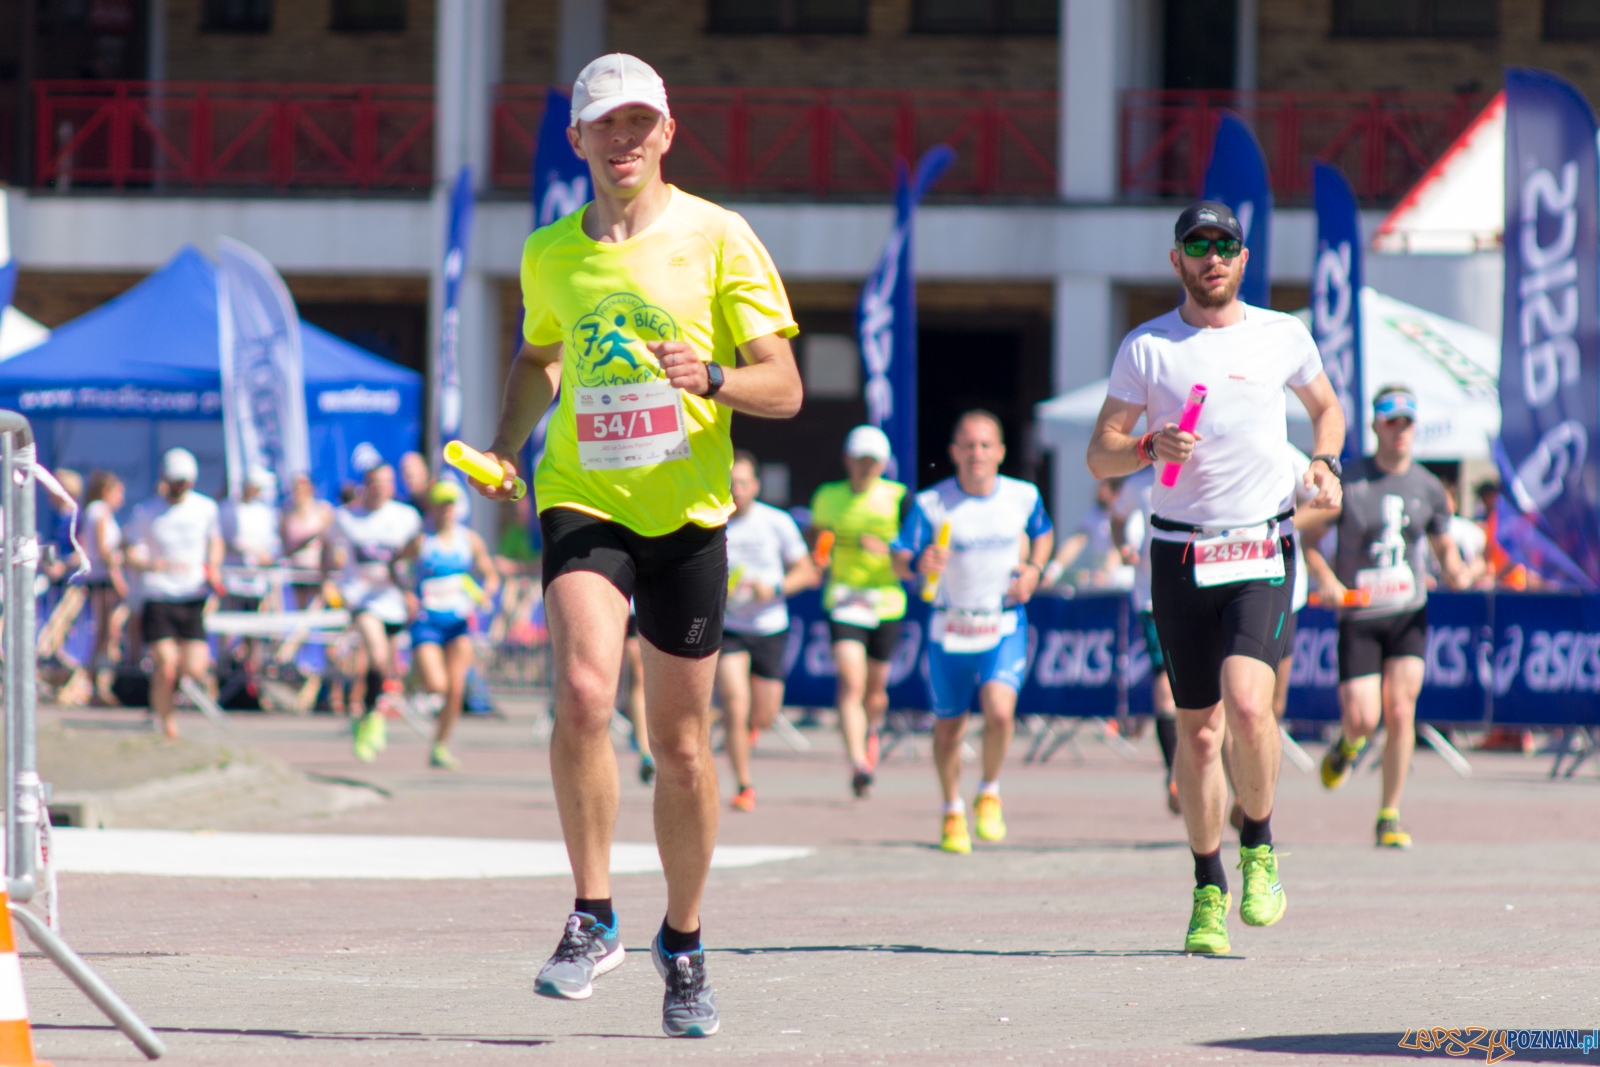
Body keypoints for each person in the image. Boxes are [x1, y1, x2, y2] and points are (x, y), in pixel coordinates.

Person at [468, 52, 802, 1037]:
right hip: (581, 495)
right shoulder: (549, 254)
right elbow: (538, 356)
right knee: (578, 689)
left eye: (638, 122)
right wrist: (502, 443)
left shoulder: (717, 236)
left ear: (667, 131)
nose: (623, 140)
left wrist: (710, 378)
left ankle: (685, 939)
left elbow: (782, 386)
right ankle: (592, 912)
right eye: (603, 125)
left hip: (688, 514)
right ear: (575, 141)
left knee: (682, 748)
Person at [1087, 200, 1345, 955]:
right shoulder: (1148, 348)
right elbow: (1099, 453)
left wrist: (1326, 464)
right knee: (1197, 735)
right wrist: (1142, 447)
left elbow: (1327, 411)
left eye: (1224, 246)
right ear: (1177, 261)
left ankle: (1259, 842)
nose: (1212, 258)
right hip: (1177, 554)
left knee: (1249, 706)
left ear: (1243, 256)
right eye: (1197, 246)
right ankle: (1207, 885)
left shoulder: (1281, 335)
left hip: (1260, 546)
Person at [1300, 386, 1470, 848]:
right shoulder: (1351, 481)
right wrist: (1325, 578)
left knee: (1400, 710)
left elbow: (1443, 546)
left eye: (1407, 422)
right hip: (1359, 613)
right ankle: (1348, 744)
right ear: (1375, 425)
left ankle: (1389, 815)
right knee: (1362, 717)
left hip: (1407, 612)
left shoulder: (1429, 487)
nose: (1400, 430)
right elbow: (1308, 542)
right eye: (1391, 421)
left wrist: (1457, 571)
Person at [892, 411, 1052, 853]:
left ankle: (989, 791)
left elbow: (1044, 533)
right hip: (950, 627)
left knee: (1000, 711)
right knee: (949, 729)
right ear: (954, 452)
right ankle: (951, 810)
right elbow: (898, 556)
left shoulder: (1022, 496)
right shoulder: (932, 504)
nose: (976, 453)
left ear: (1000, 452)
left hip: (1001, 623)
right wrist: (918, 563)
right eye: (968, 445)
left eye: (985, 445)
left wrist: (1034, 571)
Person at [810, 425, 908, 799]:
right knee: (851, 682)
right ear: (847, 460)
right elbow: (817, 536)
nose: (865, 467)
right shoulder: (828, 496)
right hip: (844, 599)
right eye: (859, 460)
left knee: (875, 689)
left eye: (872, 461)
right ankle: (858, 764)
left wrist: (887, 550)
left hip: (885, 600)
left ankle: (871, 731)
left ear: (883, 464)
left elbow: (913, 550)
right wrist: (821, 551)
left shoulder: (898, 498)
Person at [718, 451, 816, 812]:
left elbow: (806, 572)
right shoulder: (713, 521)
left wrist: (772, 589)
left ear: (756, 486)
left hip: (770, 626)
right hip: (729, 627)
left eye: (742, 483)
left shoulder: (776, 522)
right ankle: (744, 785)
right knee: (733, 702)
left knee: (764, 712)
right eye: (730, 483)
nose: (736, 490)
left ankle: (752, 728)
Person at [394, 480, 500, 770]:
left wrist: (483, 595)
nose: (447, 510)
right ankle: (414, 679)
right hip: (427, 621)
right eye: (441, 505)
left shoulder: (469, 539)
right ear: (432, 508)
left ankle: (439, 746)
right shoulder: (421, 540)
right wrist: (405, 592)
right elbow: (395, 565)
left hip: (458, 622)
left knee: (455, 689)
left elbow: (490, 575)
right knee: (437, 685)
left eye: (451, 504)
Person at [324, 463, 423, 762]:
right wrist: (326, 579)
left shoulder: (406, 517)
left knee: (388, 667)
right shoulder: (346, 518)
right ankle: (373, 718)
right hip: (361, 598)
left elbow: (416, 552)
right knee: (377, 654)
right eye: (374, 482)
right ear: (365, 485)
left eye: (385, 481)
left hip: (393, 598)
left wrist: (409, 588)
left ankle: (366, 712)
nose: (380, 487)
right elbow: (326, 545)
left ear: (392, 486)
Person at [124, 449, 225, 739]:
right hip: (159, 594)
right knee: (166, 665)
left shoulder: (205, 508)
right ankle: (166, 725)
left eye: (184, 481)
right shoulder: (147, 511)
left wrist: (213, 567)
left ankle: (161, 697)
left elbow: (215, 541)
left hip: (192, 594)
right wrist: (147, 562)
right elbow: (130, 551)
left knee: (195, 668)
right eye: (174, 481)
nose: (179, 486)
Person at [1112, 467, 1181, 813]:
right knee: (1166, 686)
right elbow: (1117, 518)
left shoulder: (1202, 471)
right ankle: (1175, 772)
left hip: (1206, 591)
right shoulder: (1136, 483)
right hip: (1152, 598)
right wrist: (1123, 546)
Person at [81, 471, 128, 704]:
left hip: (101, 576)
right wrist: (118, 578)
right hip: (104, 578)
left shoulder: (93, 511)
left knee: (107, 632)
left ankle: (96, 683)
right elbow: (103, 549)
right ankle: (93, 683)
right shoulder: (100, 511)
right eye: (119, 492)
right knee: (104, 632)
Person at [1042, 477, 1123, 589]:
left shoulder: (1129, 513)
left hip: (1125, 583)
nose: (1099, 490)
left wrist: (1107, 572)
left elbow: (1118, 548)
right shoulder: (1096, 513)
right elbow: (1078, 539)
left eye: (1104, 486)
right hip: (1103, 583)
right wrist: (1054, 570)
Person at [281, 472, 336, 608]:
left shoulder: (323, 510)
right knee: (301, 612)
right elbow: (284, 544)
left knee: (318, 608)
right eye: (296, 487)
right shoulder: (287, 512)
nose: (298, 491)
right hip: (297, 570)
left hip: (319, 570)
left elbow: (332, 539)